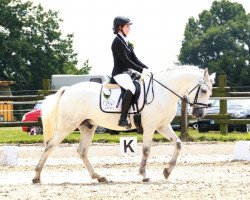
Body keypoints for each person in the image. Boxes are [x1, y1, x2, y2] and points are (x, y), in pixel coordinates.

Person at [111, 16, 151, 129]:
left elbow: (135, 59)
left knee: (141, 84)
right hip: (119, 73)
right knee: (132, 88)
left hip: (127, 73)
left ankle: (135, 113)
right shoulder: (117, 42)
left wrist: (147, 68)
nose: (129, 28)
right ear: (119, 27)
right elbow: (126, 61)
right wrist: (141, 70)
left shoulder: (126, 41)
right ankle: (122, 118)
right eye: (127, 26)